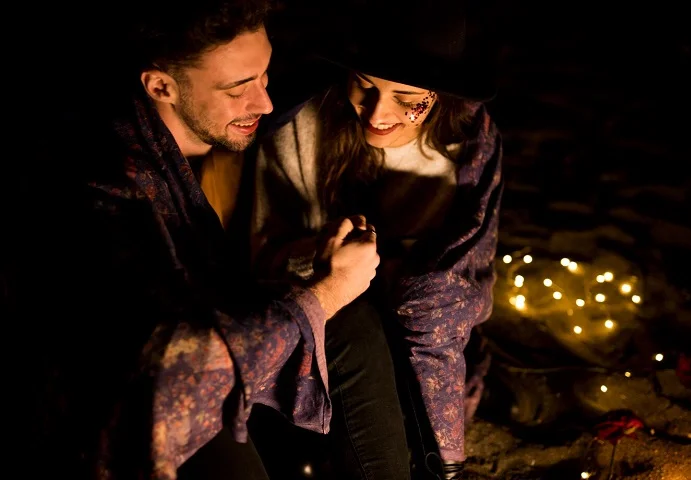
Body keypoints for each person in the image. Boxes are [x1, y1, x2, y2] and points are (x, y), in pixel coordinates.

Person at [22, 0, 409, 479]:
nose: (265, 104)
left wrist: (317, 270)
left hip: (200, 372)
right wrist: (328, 291)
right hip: (128, 419)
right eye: (238, 88)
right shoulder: (108, 190)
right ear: (160, 85)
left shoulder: (168, 149)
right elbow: (175, 368)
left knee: (348, 323)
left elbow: (220, 292)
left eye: (264, 77)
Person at [248, 0, 503, 478]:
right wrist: (324, 258)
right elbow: (266, 255)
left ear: (442, 94)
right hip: (330, 317)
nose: (377, 112)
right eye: (364, 86)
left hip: (412, 330)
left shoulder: (461, 150)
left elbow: (466, 271)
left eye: (408, 98)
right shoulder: (304, 129)